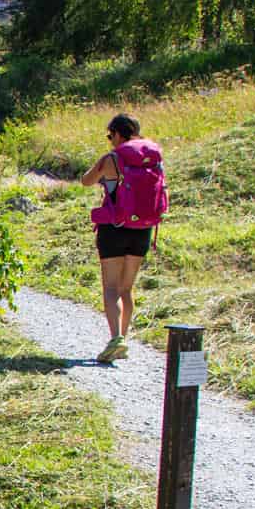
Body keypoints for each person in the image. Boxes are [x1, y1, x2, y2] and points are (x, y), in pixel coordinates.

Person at [81, 114, 166, 363]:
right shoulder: (153, 158)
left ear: (118, 133)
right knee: (126, 288)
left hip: (114, 228)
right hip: (143, 229)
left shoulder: (112, 159)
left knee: (110, 288)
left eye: (110, 136)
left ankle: (116, 338)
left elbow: (86, 181)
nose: (110, 141)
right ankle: (124, 339)